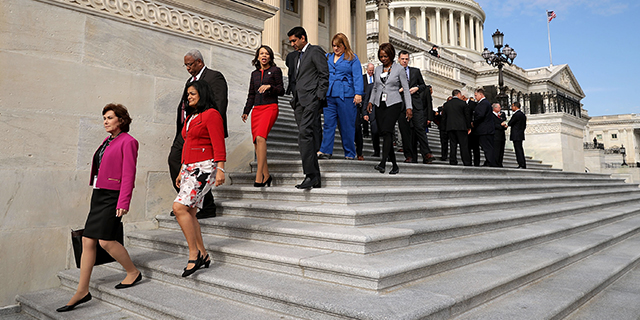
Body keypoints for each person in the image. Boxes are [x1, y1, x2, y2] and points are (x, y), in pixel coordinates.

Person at [57, 104, 141, 312]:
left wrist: (124, 201)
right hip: (99, 194)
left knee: (106, 241)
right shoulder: (107, 141)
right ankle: (82, 290)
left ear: (121, 120)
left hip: (113, 196)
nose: (105, 121)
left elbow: (129, 173)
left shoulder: (129, 142)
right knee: (87, 239)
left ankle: (132, 272)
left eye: (110, 117)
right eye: (104, 117)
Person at [173, 80, 226, 277]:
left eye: (193, 93)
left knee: (179, 208)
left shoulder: (211, 114)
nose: (189, 97)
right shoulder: (191, 117)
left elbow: (218, 142)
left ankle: (193, 253)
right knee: (191, 212)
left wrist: (220, 169)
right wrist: (181, 170)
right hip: (189, 167)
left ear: (202, 93)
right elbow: (187, 145)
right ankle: (203, 254)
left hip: (205, 167)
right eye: (188, 94)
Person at [168, 49, 228, 219]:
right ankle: (187, 200)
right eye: (185, 64)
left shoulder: (214, 77)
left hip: (203, 127)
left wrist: (210, 124)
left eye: (189, 64)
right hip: (187, 128)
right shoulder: (190, 80)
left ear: (199, 62)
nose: (187, 68)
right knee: (174, 159)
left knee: (183, 161)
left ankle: (198, 204)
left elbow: (219, 103)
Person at [287, 26, 329, 189]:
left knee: (304, 134)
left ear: (303, 38)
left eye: (294, 40)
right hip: (298, 102)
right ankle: (316, 177)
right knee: (307, 137)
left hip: (311, 99)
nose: (292, 44)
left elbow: (324, 74)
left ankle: (310, 175)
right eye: (290, 41)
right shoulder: (296, 56)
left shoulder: (315, 51)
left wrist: (319, 96)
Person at [367, 43, 413, 175]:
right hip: (380, 104)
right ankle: (394, 165)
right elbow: (375, 87)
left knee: (387, 130)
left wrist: (409, 107)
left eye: (385, 56)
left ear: (391, 55)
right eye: (381, 56)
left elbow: (406, 90)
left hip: (394, 103)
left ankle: (382, 163)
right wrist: (370, 102)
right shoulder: (377, 69)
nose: (383, 59)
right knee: (385, 133)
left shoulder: (399, 69)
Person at [242, 45, 284, 187]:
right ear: (258, 57)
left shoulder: (275, 71)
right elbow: (251, 94)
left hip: (270, 107)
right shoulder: (254, 74)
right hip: (257, 109)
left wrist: (270, 87)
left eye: (267, 53)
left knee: (261, 137)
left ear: (270, 57)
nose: (264, 56)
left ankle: (259, 175)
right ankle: (267, 175)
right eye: (261, 53)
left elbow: (282, 90)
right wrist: (246, 111)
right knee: (256, 142)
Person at [317, 33, 364, 160]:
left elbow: (358, 76)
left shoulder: (352, 58)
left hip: (346, 95)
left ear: (344, 45)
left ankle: (349, 152)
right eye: (334, 46)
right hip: (329, 95)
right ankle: (325, 150)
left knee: (347, 125)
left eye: (338, 46)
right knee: (328, 124)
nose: (336, 49)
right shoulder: (327, 57)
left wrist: (358, 93)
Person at [396, 50, 434, 164]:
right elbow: (390, 89)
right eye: (402, 59)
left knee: (420, 129)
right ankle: (409, 156)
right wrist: (400, 90)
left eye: (406, 59)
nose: (404, 61)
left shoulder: (415, 71)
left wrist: (417, 88)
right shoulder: (394, 73)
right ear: (398, 59)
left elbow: (423, 85)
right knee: (405, 132)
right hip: (402, 106)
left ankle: (426, 153)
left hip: (416, 105)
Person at [442, 89, 472, 166]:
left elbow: (444, 117)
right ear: (458, 94)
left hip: (450, 127)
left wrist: (444, 128)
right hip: (461, 127)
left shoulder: (446, 104)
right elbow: (467, 116)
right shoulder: (463, 103)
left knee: (453, 145)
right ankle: (466, 161)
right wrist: (468, 127)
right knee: (463, 145)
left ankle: (452, 160)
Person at [473, 88, 496, 167]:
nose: (475, 97)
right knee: (487, 147)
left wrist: (474, 122)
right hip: (486, 129)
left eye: (476, 95)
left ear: (481, 94)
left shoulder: (483, 103)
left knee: (487, 147)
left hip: (484, 130)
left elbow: (480, 115)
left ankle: (490, 162)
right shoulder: (486, 103)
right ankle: (489, 161)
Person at [362, 63, 380, 157]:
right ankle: (376, 151)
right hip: (373, 113)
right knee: (374, 132)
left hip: (383, 113)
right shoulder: (370, 86)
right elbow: (366, 100)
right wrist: (365, 112)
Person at [508, 101, 527, 169]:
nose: (511, 108)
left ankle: (521, 164)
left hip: (516, 135)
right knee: (520, 149)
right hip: (520, 134)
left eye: (512, 106)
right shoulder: (522, 114)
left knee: (518, 150)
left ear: (515, 107)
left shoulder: (516, 115)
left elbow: (510, 123)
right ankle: (522, 163)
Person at [492, 103, 507, 167]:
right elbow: (492, 125)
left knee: (501, 150)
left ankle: (500, 162)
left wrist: (504, 126)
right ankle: (495, 162)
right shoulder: (491, 116)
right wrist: (500, 125)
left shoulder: (500, 116)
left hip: (501, 136)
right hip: (496, 136)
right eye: (499, 107)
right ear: (495, 108)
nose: (500, 109)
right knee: (496, 150)